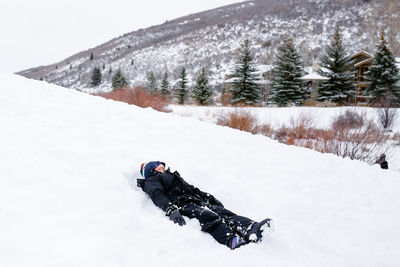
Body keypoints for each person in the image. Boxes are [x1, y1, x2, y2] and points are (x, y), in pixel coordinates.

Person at [137, 161, 272, 250]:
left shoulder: (173, 176)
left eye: (162, 166)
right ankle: (232, 240)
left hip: (196, 200)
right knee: (209, 217)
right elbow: (157, 195)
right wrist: (171, 209)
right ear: (152, 171)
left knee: (223, 212)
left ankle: (250, 228)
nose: (163, 168)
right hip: (183, 205)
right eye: (159, 167)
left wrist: (209, 198)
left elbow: (193, 189)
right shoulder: (152, 180)